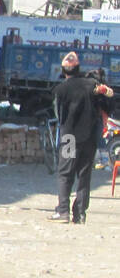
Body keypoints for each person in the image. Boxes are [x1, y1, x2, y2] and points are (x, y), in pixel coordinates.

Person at [48, 51, 114, 223]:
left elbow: (58, 113)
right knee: (84, 175)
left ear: (63, 71)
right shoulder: (92, 84)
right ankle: (80, 213)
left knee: (65, 173)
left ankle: (63, 211)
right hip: (89, 138)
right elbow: (107, 100)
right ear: (79, 68)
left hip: (70, 137)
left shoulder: (60, 89)